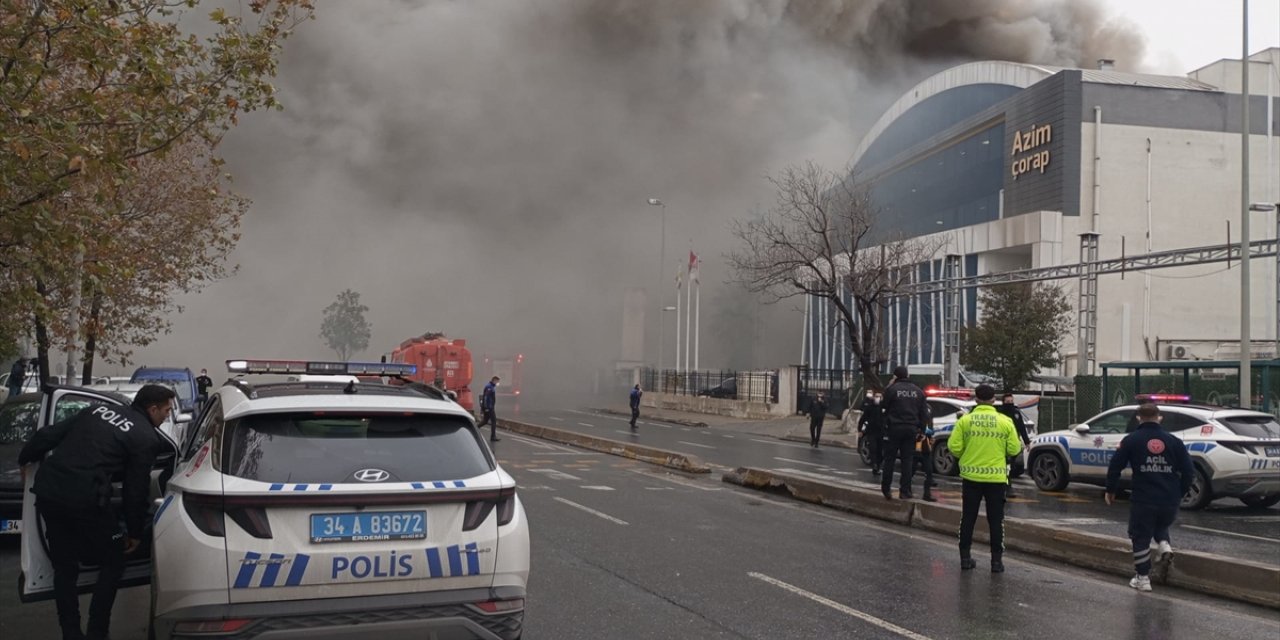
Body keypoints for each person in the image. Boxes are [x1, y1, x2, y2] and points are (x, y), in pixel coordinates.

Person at [18, 384, 177, 640]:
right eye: (167, 410)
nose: (168, 416)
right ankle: (97, 631)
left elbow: (49, 435)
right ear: (153, 408)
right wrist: (135, 532)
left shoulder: (98, 411)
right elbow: (134, 492)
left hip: (50, 492)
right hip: (85, 501)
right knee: (114, 559)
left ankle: (70, 632)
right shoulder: (145, 437)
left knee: (65, 568)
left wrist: (25, 459)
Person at [1105, 403, 1194, 592]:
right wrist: (1180, 492)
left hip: (1144, 497)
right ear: (1159, 417)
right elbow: (1188, 471)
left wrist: (1111, 490)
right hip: (1169, 498)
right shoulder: (1174, 441)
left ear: (1138, 417)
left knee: (1140, 535)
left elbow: (1115, 466)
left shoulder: (1131, 440)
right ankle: (1164, 545)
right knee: (1160, 525)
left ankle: (1143, 577)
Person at [948, 384, 1022, 573]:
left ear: (976, 398)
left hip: (971, 477)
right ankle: (996, 562)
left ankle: (965, 558)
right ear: (993, 399)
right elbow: (1014, 449)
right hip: (996, 479)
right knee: (996, 520)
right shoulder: (1004, 421)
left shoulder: (966, 421)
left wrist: (968, 453)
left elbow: (954, 447)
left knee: (968, 518)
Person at [881, 366, 930, 500]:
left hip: (894, 428)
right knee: (907, 460)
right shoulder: (918, 391)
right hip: (911, 429)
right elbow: (924, 414)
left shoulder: (892, 389)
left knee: (890, 459)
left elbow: (883, 407)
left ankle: (886, 489)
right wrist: (922, 430)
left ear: (895, 376)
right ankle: (905, 491)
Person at [997, 392, 1032, 497]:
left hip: (1012, 443)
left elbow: (1021, 427)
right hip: (1000, 443)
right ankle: (1004, 487)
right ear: (1003, 402)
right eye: (1008, 402)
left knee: (1008, 466)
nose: (1010, 404)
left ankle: (1006, 487)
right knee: (1003, 466)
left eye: (1011, 401)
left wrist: (1027, 442)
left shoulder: (1016, 413)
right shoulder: (999, 413)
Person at [857, 391, 885, 475]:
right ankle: (874, 465)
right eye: (876, 396)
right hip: (871, 431)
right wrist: (860, 430)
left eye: (879, 396)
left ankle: (878, 465)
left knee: (880, 451)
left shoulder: (884, 407)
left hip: (881, 432)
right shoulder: (869, 407)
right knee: (873, 448)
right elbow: (863, 419)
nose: (877, 398)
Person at [477, 376, 500, 441]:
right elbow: (486, 397)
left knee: (485, 421)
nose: (498, 383)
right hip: (489, 407)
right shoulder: (489, 387)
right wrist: (486, 407)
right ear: (494, 380)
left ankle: (475, 428)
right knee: (494, 421)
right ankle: (493, 436)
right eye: (497, 381)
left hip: (489, 407)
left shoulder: (491, 386)